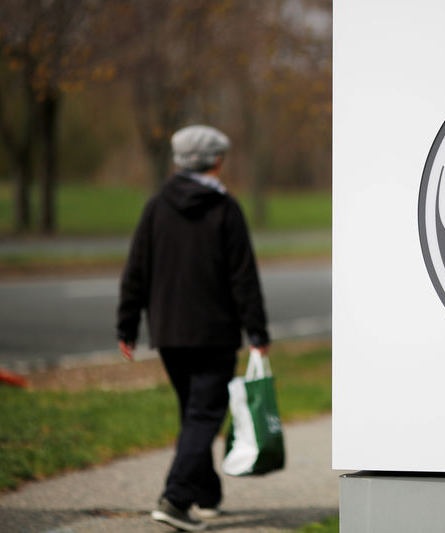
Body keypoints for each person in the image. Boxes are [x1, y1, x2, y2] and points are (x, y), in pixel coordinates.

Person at [116, 125, 270, 532]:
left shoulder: (156, 207)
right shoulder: (225, 209)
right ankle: (176, 498)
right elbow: (243, 279)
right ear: (217, 161)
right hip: (214, 334)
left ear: (178, 161)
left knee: (193, 413)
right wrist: (258, 333)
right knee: (204, 415)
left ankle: (207, 494)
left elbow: (136, 271)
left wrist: (127, 325)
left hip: (168, 332)